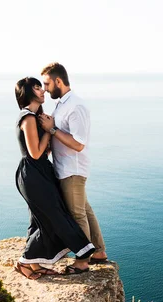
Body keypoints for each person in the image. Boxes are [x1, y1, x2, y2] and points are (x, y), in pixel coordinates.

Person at [14, 76, 95, 279]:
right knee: (52, 218)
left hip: (40, 172)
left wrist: (48, 131)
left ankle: (35, 264)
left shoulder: (35, 116)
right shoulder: (28, 118)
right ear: (28, 92)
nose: (43, 91)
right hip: (33, 174)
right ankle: (25, 262)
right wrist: (50, 131)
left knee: (39, 220)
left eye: (42, 87)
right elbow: (34, 153)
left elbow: (44, 153)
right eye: (38, 88)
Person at [37, 63, 108, 271]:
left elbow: (78, 143)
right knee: (85, 210)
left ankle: (83, 261)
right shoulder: (62, 104)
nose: (45, 88)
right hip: (66, 169)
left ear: (59, 81)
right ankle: (99, 252)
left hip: (73, 170)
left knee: (77, 215)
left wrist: (52, 129)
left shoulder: (76, 106)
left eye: (47, 83)